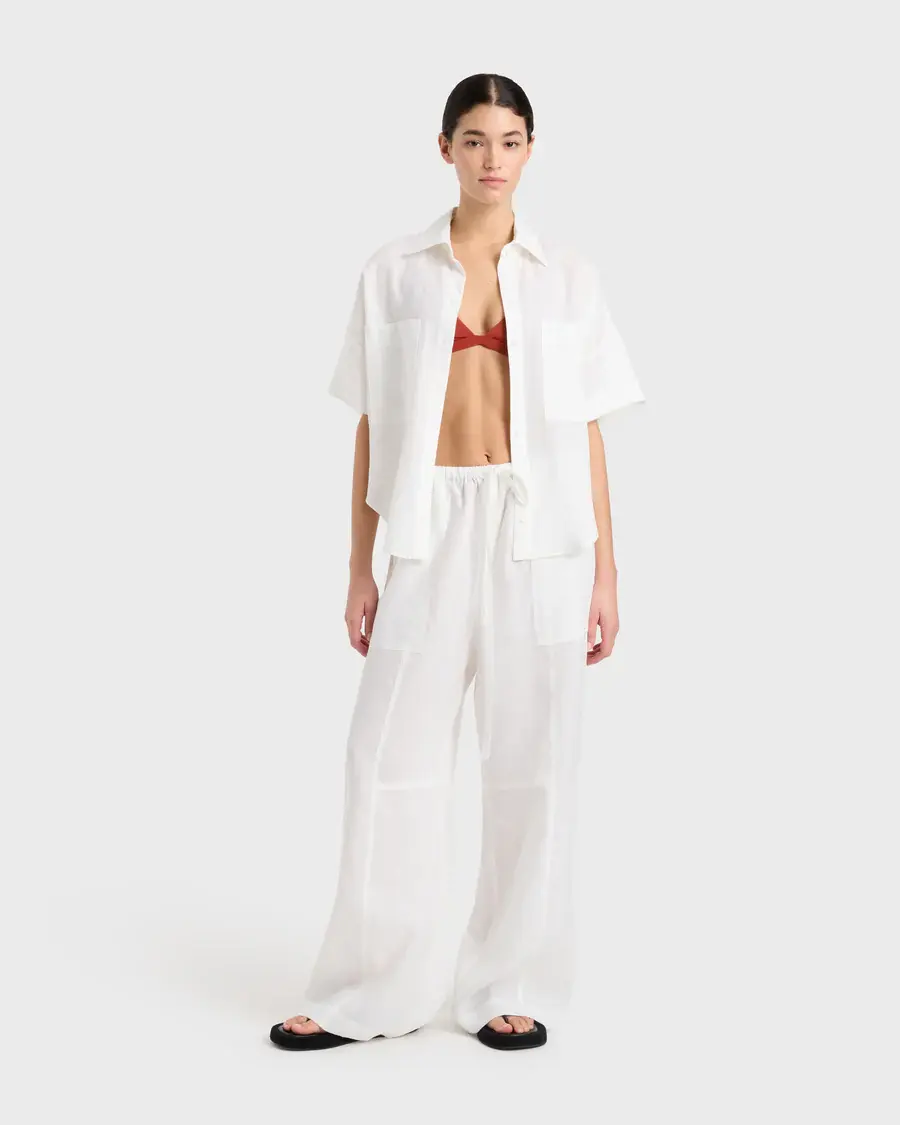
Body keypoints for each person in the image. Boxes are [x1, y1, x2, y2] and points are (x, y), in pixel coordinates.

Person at [270, 72, 645, 1052]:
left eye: (510, 140)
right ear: (445, 148)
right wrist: (360, 567)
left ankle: (507, 983)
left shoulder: (568, 275)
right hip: (428, 528)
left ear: (531, 150)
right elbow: (370, 425)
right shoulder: (393, 271)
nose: (492, 159)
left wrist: (606, 573)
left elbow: (589, 429)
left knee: (533, 768)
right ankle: (367, 990)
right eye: (474, 139)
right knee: (386, 758)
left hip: (541, 538)